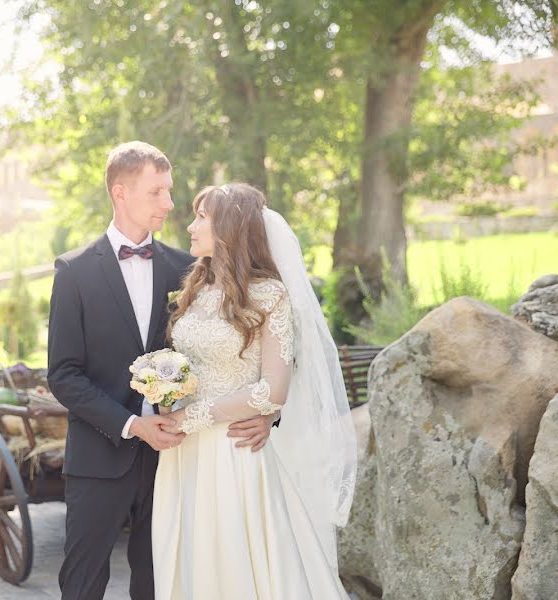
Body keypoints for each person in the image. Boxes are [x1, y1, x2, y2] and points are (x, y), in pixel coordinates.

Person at [47, 143, 278, 600]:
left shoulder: (190, 268)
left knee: (163, 583)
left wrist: (268, 413)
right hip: (99, 457)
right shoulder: (73, 273)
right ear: (121, 193)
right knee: (82, 583)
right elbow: (63, 374)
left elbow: (247, 343)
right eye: (156, 192)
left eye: (169, 191)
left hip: (178, 459)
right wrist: (133, 425)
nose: (169, 204)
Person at [152, 183, 357, 600]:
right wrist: (165, 388)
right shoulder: (197, 288)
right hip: (183, 451)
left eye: (201, 218)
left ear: (228, 228)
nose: (191, 226)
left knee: (237, 560)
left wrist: (190, 418)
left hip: (233, 450)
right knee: (192, 556)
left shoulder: (269, 294)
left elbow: (273, 391)